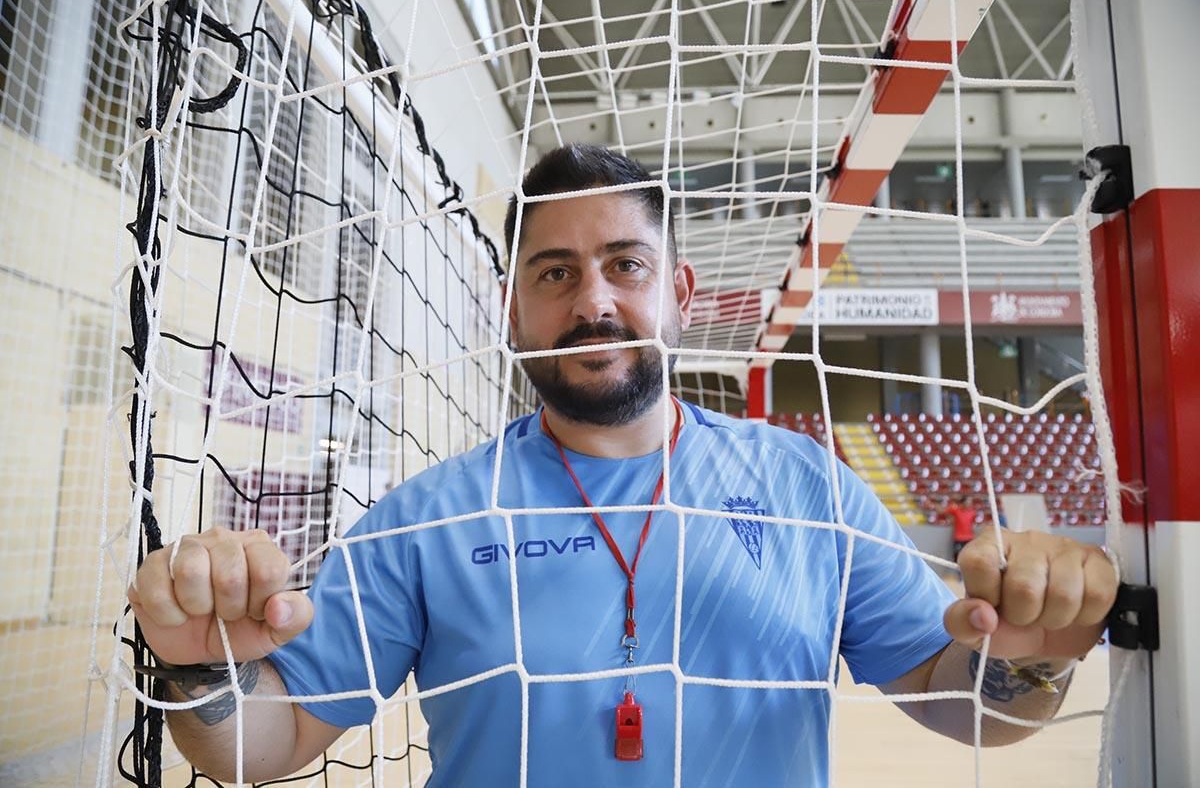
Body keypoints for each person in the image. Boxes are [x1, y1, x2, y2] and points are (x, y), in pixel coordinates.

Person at [129, 145, 1119, 786]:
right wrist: (197, 668)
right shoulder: (427, 517)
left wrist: (1040, 650)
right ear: (513, 307)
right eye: (555, 273)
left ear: (677, 290)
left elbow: (966, 709)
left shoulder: (806, 487)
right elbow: (264, 747)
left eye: (624, 265)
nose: (593, 299)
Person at [947, 495, 979, 561]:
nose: (969, 504)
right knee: (957, 555)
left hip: (969, 538)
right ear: (963, 502)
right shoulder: (956, 510)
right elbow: (947, 510)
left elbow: (974, 523)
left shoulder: (972, 512)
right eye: (967, 502)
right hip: (958, 538)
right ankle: (957, 570)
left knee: (969, 556)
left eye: (970, 502)